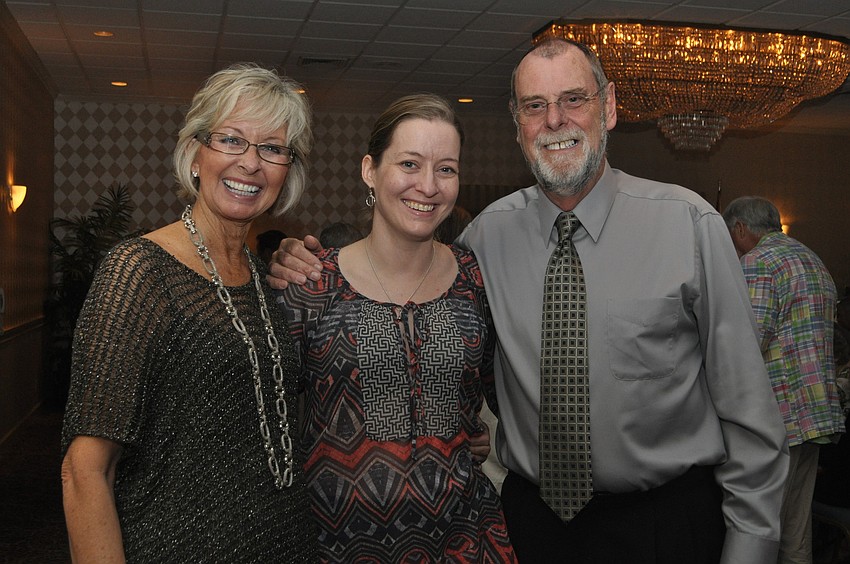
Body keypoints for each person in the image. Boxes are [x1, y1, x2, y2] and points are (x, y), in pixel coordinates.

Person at [269, 38, 789, 564]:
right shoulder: (482, 245)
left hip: (663, 526)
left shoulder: (689, 226)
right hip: (529, 529)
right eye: (535, 106)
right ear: (518, 123)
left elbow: (751, 418)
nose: (555, 120)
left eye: (574, 99)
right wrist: (298, 258)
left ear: (607, 107)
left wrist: (751, 550)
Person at [60, 64, 318, 562]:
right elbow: (84, 469)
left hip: (283, 544)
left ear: (288, 171)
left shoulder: (266, 280)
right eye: (230, 139)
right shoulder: (138, 271)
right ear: (195, 154)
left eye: (272, 148)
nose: (250, 163)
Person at [277, 93, 515, 562]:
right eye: (409, 163)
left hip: (465, 542)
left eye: (446, 169)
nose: (427, 186)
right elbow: (267, 427)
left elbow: (503, 395)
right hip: (337, 546)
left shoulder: (476, 278)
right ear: (370, 169)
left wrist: (480, 432)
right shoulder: (310, 283)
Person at [722, 196, 843, 564]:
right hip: (816, 413)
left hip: (779, 415)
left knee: (760, 532)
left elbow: (749, 341)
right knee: (795, 531)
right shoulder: (813, 259)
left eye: (730, 235)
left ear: (741, 228)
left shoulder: (757, 262)